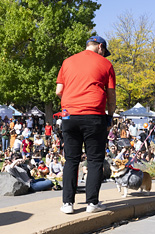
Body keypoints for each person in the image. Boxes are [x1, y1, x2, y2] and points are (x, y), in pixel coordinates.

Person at [56, 35, 116, 214]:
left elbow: (59, 91)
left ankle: (67, 203)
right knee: (95, 159)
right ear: (100, 47)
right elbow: (111, 95)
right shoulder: (106, 64)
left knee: (71, 159)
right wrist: (110, 116)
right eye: (104, 51)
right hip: (94, 115)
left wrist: (72, 102)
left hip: (69, 115)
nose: (104, 54)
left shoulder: (68, 61)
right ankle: (92, 203)